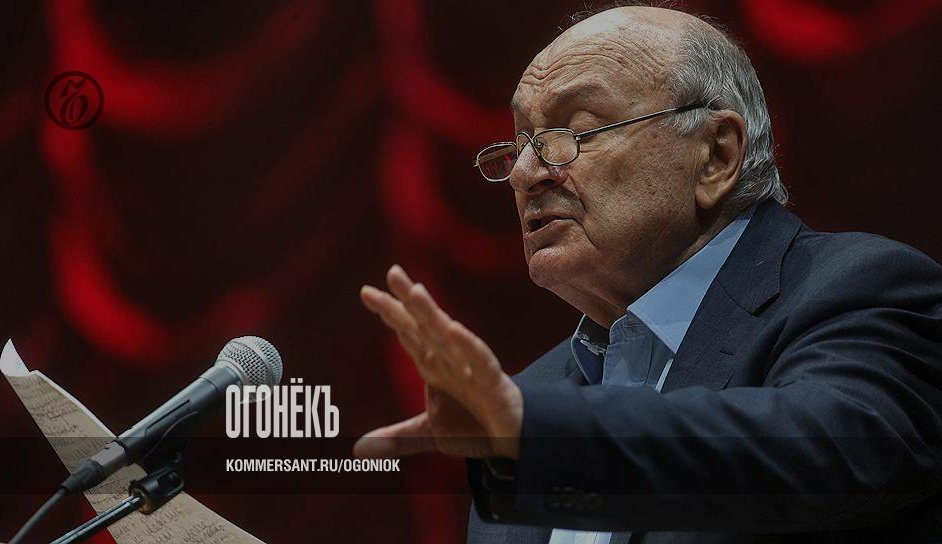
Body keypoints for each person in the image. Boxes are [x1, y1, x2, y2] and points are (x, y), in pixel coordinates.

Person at [354, 4, 942, 543]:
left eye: (573, 132)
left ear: (715, 155)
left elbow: (817, 452)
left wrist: (537, 434)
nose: (525, 173)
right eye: (520, 144)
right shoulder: (535, 394)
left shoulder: (860, 291)